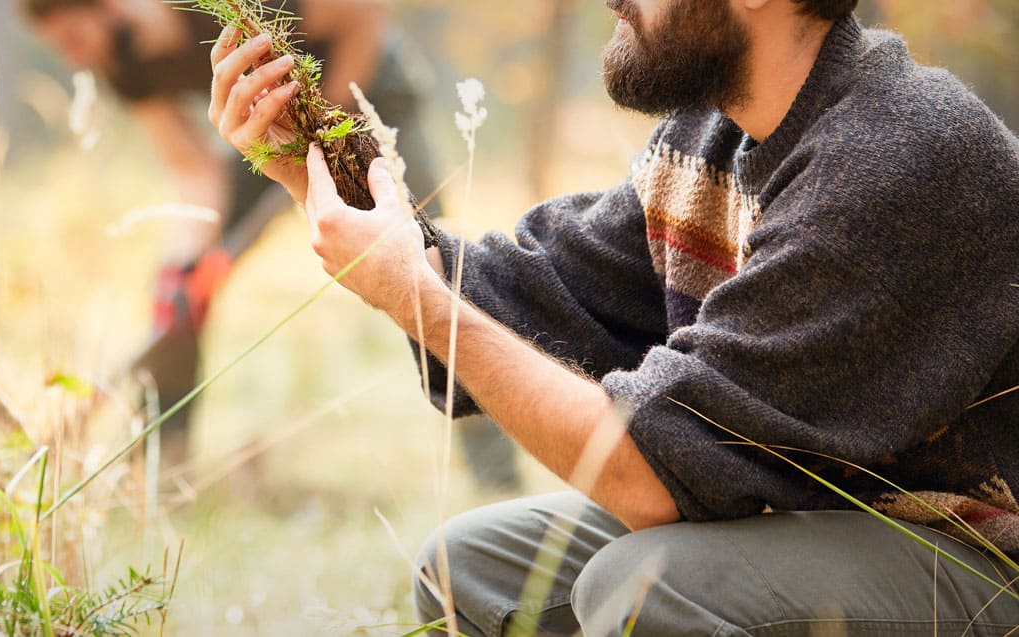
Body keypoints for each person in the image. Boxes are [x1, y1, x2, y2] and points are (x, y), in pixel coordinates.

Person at [209, 0, 1019, 633]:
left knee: (647, 589)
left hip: (977, 556)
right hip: (818, 519)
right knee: (471, 569)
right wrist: (314, 170)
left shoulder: (895, 157)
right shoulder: (711, 135)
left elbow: (649, 479)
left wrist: (410, 293)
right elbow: (534, 295)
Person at [22, 0, 520, 490]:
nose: (73, 59)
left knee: (433, 271)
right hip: (269, 128)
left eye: (72, 38)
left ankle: (495, 473)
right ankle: (159, 471)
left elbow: (364, 12)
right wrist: (188, 265)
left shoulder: (225, 5)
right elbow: (195, 171)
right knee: (179, 290)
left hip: (366, 99)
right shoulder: (124, 66)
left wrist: (324, 137)